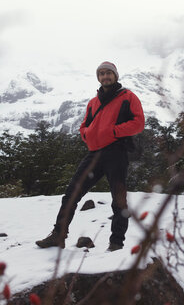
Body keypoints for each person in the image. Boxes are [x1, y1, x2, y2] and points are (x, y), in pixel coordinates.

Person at [36, 61, 145, 251]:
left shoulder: (128, 97)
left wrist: (113, 132)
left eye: (108, 73)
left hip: (116, 153)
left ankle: (116, 243)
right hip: (94, 154)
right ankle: (58, 235)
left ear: (115, 75)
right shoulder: (93, 102)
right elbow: (83, 126)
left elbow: (139, 123)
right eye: (101, 74)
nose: (105, 77)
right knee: (71, 194)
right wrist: (87, 135)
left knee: (119, 200)